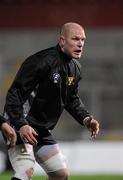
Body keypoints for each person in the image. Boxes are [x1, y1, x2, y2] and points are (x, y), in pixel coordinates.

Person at [4, 22, 100, 180]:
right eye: (75, 39)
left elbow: (71, 98)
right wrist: (21, 124)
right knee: (25, 172)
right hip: (18, 124)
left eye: (83, 40)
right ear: (62, 41)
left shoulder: (75, 68)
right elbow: (15, 93)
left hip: (40, 130)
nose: (80, 44)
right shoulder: (40, 61)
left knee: (61, 175)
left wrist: (86, 118)